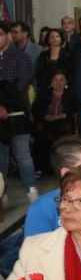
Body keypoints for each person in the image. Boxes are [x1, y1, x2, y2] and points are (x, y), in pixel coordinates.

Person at [0, 22, 36, 202]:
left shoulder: (21, 58)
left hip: (18, 113)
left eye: (0, 34)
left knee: (22, 154)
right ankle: (2, 192)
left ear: (8, 36)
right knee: (1, 155)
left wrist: (5, 107)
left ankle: (31, 189)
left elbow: (20, 86)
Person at [31, 69, 74, 175]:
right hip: (46, 122)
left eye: (61, 80)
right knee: (42, 137)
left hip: (64, 122)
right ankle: (42, 168)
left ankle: (62, 167)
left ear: (66, 82)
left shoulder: (71, 94)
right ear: (51, 82)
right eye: (55, 79)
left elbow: (74, 111)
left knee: (62, 135)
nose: (58, 83)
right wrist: (45, 116)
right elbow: (35, 109)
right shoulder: (44, 94)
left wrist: (61, 116)